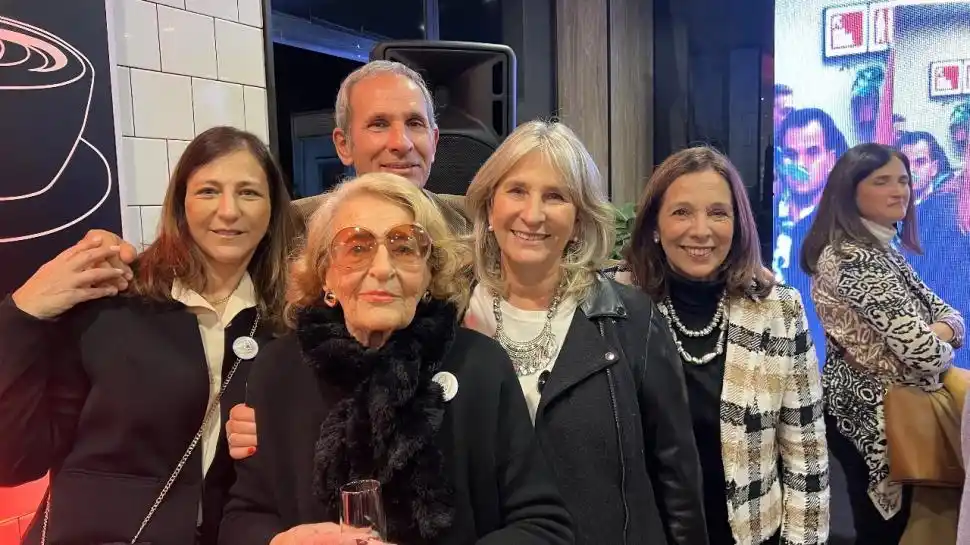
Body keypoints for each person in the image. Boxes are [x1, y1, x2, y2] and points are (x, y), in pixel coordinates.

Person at [218, 172, 573, 545]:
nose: (383, 268)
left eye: (404, 247)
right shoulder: (278, 370)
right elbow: (243, 517)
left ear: (428, 272)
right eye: (357, 247)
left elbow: (543, 525)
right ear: (325, 275)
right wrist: (279, 543)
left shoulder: (480, 366)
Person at [0, 126, 298, 545]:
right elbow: (15, 459)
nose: (229, 211)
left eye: (249, 193)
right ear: (181, 206)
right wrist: (22, 313)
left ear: (272, 211)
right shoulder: (114, 304)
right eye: (208, 191)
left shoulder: (283, 325)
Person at [460, 120, 706, 545]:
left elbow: (677, 479)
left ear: (578, 220)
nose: (533, 214)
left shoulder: (632, 320)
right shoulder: (448, 317)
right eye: (517, 190)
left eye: (555, 196)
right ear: (489, 205)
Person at [622, 146, 830, 545]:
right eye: (682, 212)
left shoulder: (778, 308)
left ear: (738, 224)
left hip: (750, 532)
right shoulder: (618, 303)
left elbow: (805, 448)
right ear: (653, 225)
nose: (701, 230)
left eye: (718, 213)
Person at [801, 143, 964, 545]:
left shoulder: (881, 249)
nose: (900, 191)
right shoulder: (855, 258)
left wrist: (940, 330)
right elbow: (923, 353)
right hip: (873, 419)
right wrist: (940, 336)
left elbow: (954, 316)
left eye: (904, 180)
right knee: (884, 533)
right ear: (849, 191)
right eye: (882, 181)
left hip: (893, 414)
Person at [290, 60, 470, 235]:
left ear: (434, 141)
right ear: (344, 145)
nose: (402, 143)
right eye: (379, 124)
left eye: (415, 123)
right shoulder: (291, 228)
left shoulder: (476, 222)